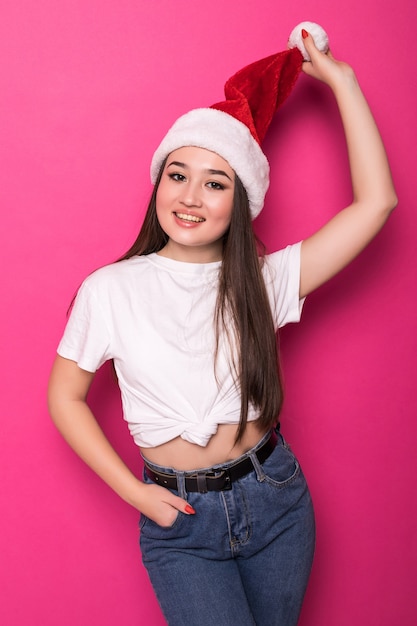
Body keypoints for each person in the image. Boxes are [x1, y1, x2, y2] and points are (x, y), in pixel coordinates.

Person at [48, 25, 397, 626]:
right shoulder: (110, 288)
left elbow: (376, 204)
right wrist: (133, 493)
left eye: (216, 183)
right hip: (179, 519)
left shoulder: (264, 281)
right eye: (177, 174)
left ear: (241, 202)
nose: (192, 196)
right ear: (158, 183)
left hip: (275, 498)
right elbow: (65, 396)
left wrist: (344, 84)